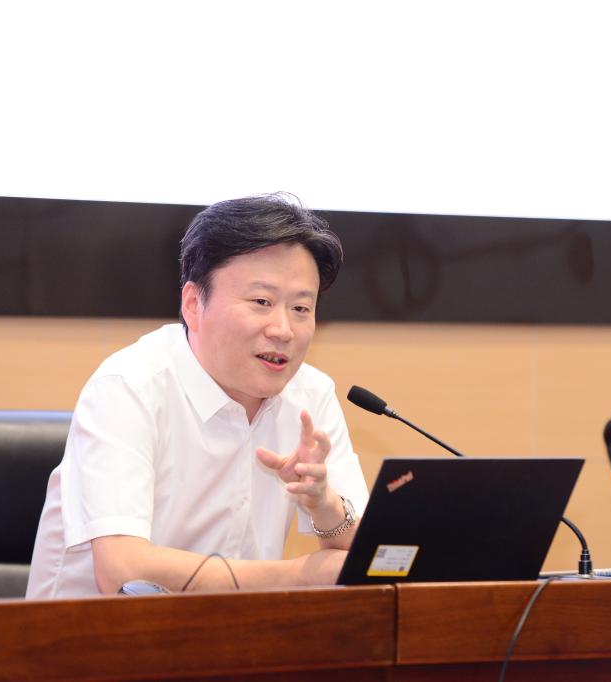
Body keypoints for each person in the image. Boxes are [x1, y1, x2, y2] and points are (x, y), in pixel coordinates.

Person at [26, 194, 369, 598]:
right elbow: (122, 571)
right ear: (193, 303)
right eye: (262, 302)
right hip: (95, 633)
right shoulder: (129, 387)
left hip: (236, 633)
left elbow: (369, 554)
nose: (283, 329)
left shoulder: (310, 394)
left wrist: (324, 502)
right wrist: (298, 576)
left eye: (300, 308)